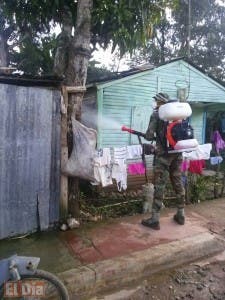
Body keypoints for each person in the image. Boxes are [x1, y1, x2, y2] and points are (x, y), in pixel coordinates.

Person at [141, 92, 185, 230]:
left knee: (160, 185)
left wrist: (151, 136)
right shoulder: (179, 114)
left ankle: (154, 219)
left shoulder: (157, 114)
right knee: (177, 182)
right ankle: (181, 214)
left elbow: (149, 135)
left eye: (157, 101)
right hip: (177, 153)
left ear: (161, 102)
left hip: (163, 156)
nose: (155, 104)